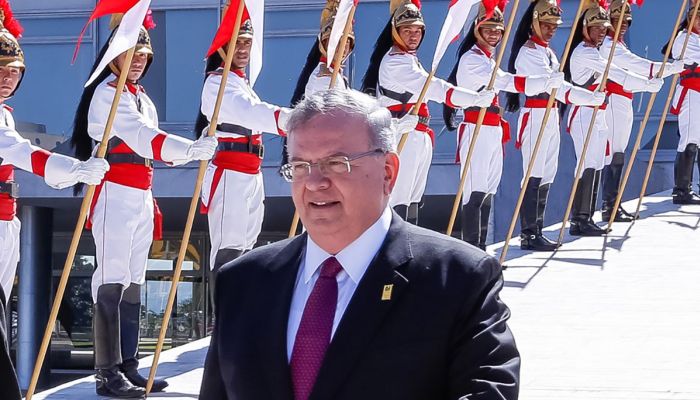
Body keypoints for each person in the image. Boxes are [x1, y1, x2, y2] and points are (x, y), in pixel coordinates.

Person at [199, 88, 520, 400]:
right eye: (300, 166)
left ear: (388, 172)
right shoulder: (243, 282)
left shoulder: (458, 278)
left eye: (336, 163)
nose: (315, 182)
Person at [70, 13, 217, 398]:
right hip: (115, 192)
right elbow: (140, 136)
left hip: (140, 192)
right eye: (131, 53)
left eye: (143, 55)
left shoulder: (142, 98)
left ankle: (128, 364)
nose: (138, 60)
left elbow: (147, 140)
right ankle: (106, 373)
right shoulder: (107, 94)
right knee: (112, 279)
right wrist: (188, 150)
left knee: (135, 280)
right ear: (114, 55)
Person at [0, 4, 109, 398]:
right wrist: (76, 169)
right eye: (1, 70)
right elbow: (19, 152)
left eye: (14, 71)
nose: (8, 78)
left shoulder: (4, 114)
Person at [443, 1, 564, 249]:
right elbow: (506, 81)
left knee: (489, 188)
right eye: (489, 29)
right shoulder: (471, 59)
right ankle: (473, 248)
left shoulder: (487, 59)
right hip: (477, 127)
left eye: (498, 30)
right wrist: (542, 82)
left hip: (493, 127)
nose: (494, 34)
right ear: (477, 29)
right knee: (475, 189)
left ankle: (482, 248)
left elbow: (504, 80)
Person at [361, 0, 494, 225]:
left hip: (418, 133)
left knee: (414, 198)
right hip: (404, 132)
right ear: (396, 31)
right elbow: (433, 88)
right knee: (400, 197)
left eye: (417, 30)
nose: (413, 36)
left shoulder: (409, 59)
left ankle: (410, 244)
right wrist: (473, 98)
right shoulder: (395, 62)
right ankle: (395, 245)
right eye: (407, 30)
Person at [196, 17, 291, 305]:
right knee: (229, 250)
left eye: (248, 43)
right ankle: (223, 323)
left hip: (251, 171)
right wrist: (292, 119)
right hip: (230, 170)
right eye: (237, 42)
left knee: (247, 249)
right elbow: (249, 111)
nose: (243, 49)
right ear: (222, 47)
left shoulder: (240, 82)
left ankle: (242, 317)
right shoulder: (217, 82)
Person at [506, 0, 606, 250]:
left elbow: (560, 88)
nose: (551, 30)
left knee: (548, 172)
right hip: (536, 114)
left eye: (554, 25)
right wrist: (585, 97)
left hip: (550, 114)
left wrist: (588, 96)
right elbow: (553, 87)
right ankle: (529, 234)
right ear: (534, 23)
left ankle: (537, 229)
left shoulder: (547, 52)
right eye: (546, 25)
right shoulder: (528, 52)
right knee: (534, 172)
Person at [564, 0, 662, 236]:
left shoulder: (595, 50)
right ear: (586, 28)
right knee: (587, 164)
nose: (602, 31)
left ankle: (587, 216)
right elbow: (618, 74)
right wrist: (649, 83)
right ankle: (580, 218)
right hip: (585, 112)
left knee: (597, 163)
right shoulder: (585, 52)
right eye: (597, 27)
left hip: (597, 112)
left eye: (604, 27)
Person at [599, 0, 684, 220]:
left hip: (624, 100)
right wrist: (669, 68)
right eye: (618, 20)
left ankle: (613, 204)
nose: (623, 25)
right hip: (613, 101)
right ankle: (609, 205)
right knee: (614, 152)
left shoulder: (618, 44)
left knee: (619, 152)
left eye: (626, 21)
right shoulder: (608, 46)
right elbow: (637, 65)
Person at [670, 1, 700, 205]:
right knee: (689, 139)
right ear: (690, 18)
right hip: (691, 92)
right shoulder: (683, 38)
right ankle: (682, 190)